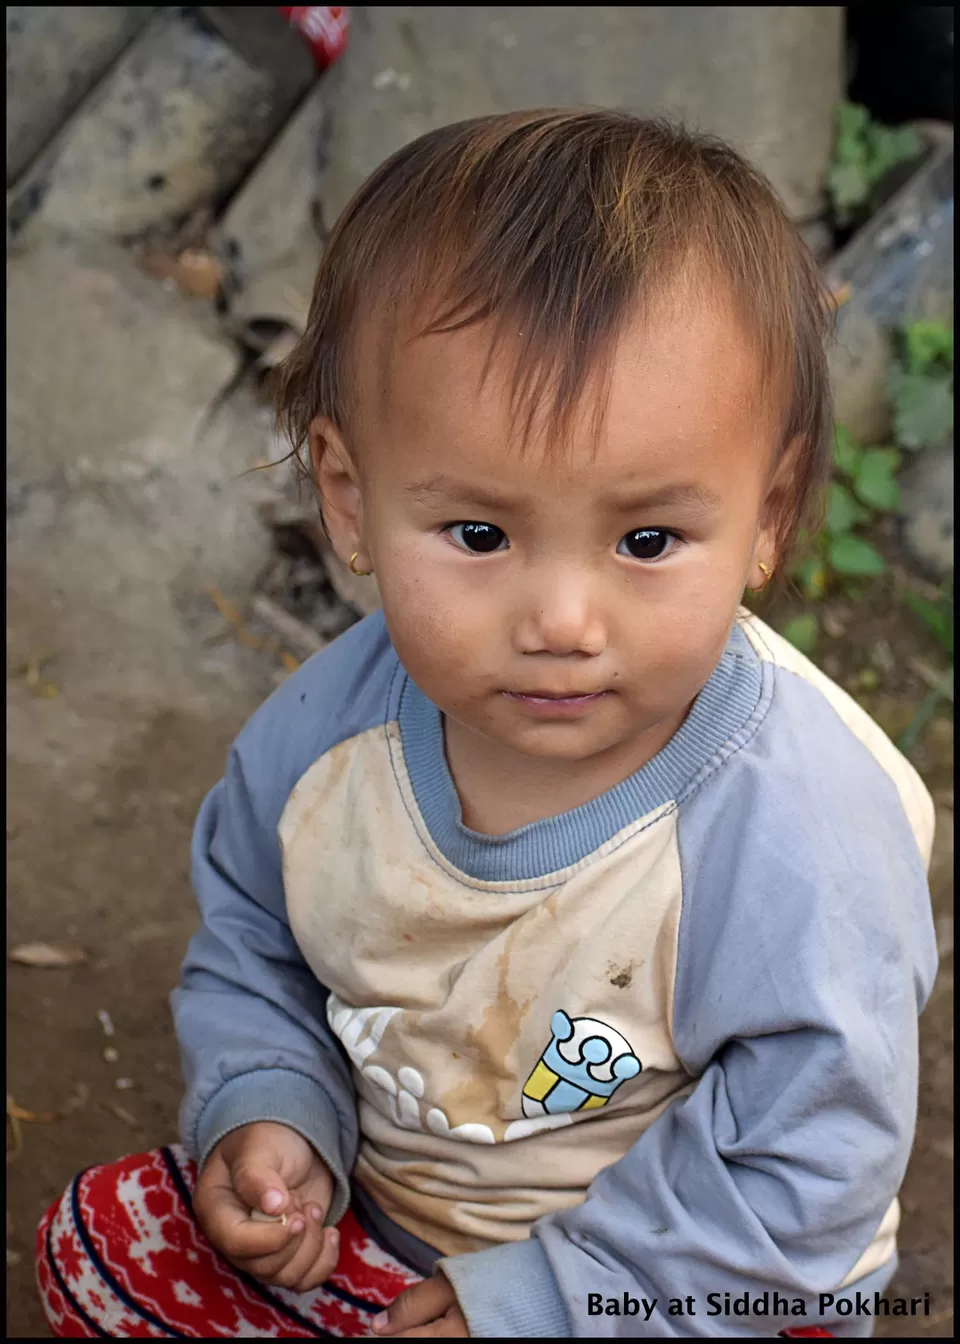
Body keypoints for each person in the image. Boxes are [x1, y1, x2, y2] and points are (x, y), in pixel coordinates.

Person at [37, 109, 937, 1340]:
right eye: (479, 534)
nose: (563, 619)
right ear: (349, 501)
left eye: (648, 540)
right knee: (105, 1240)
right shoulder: (323, 747)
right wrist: (272, 1113)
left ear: (767, 516)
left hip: (680, 1283)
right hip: (389, 1233)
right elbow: (256, 942)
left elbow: (804, 1177)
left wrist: (546, 1302)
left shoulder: (796, 833)